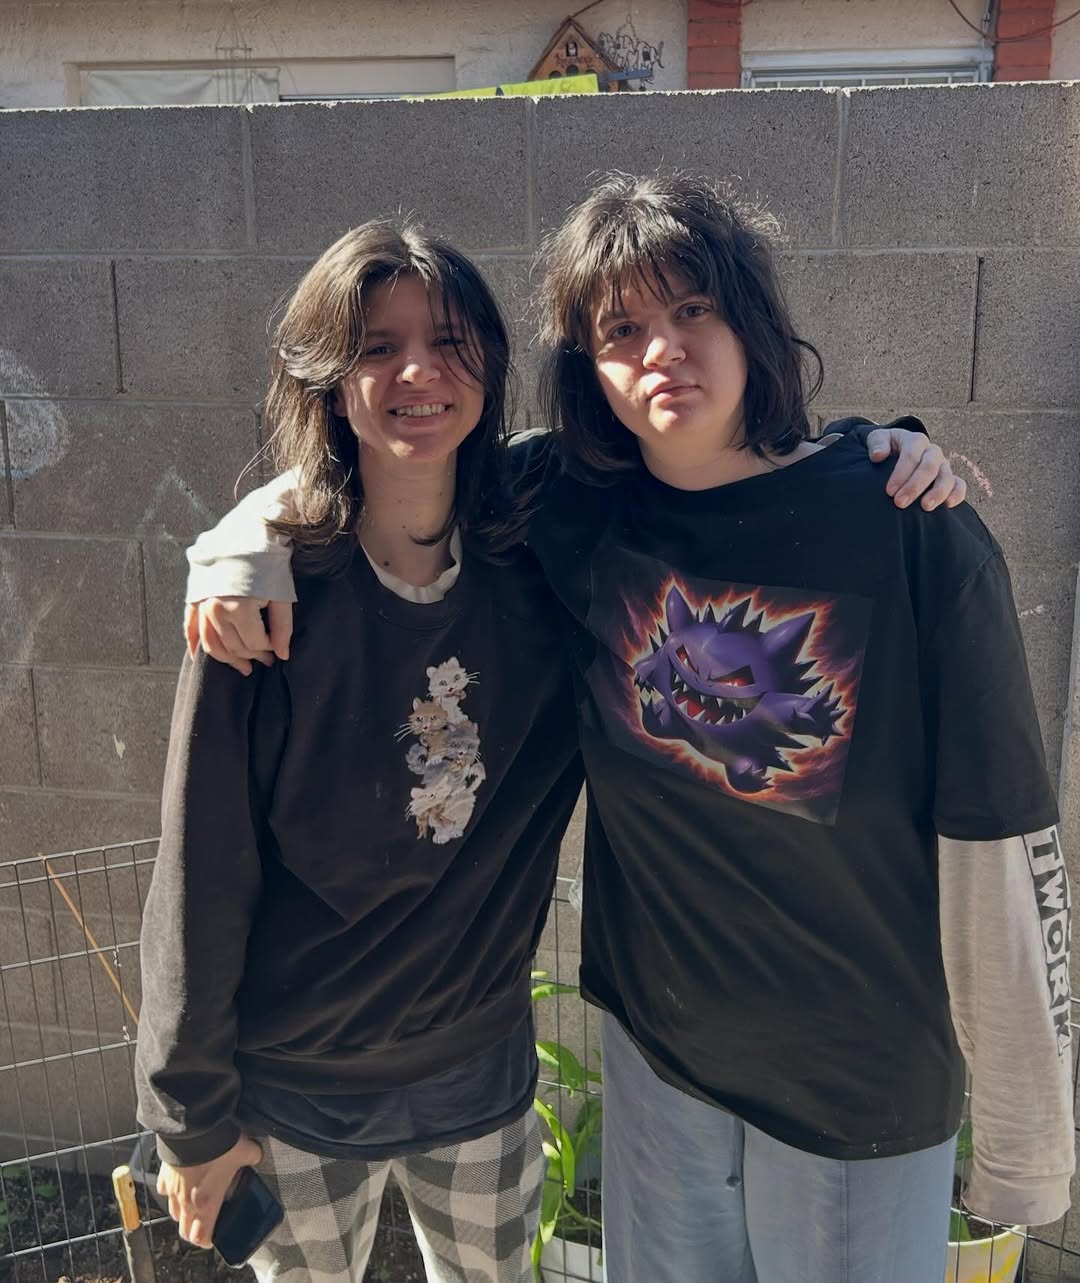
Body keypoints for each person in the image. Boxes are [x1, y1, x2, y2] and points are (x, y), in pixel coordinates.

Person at [178, 180, 1004, 1283]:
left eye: (694, 309)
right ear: (587, 368)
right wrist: (235, 543)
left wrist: (887, 444)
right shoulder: (550, 511)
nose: (664, 350)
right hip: (612, 1062)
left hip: (822, 1077)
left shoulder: (871, 524)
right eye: (622, 329)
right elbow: (380, 460)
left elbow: (996, 827)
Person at [134, 222, 586, 1283]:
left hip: (477, 1076)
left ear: (491, 366)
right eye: (378, 347)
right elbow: (201, 866)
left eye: (449, 341)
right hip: (294, 1094)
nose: (418, 371)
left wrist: (882, 450)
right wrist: (191, 1116)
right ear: (332, 382)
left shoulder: (550, 557)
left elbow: (712, 459)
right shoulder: (265, 606)